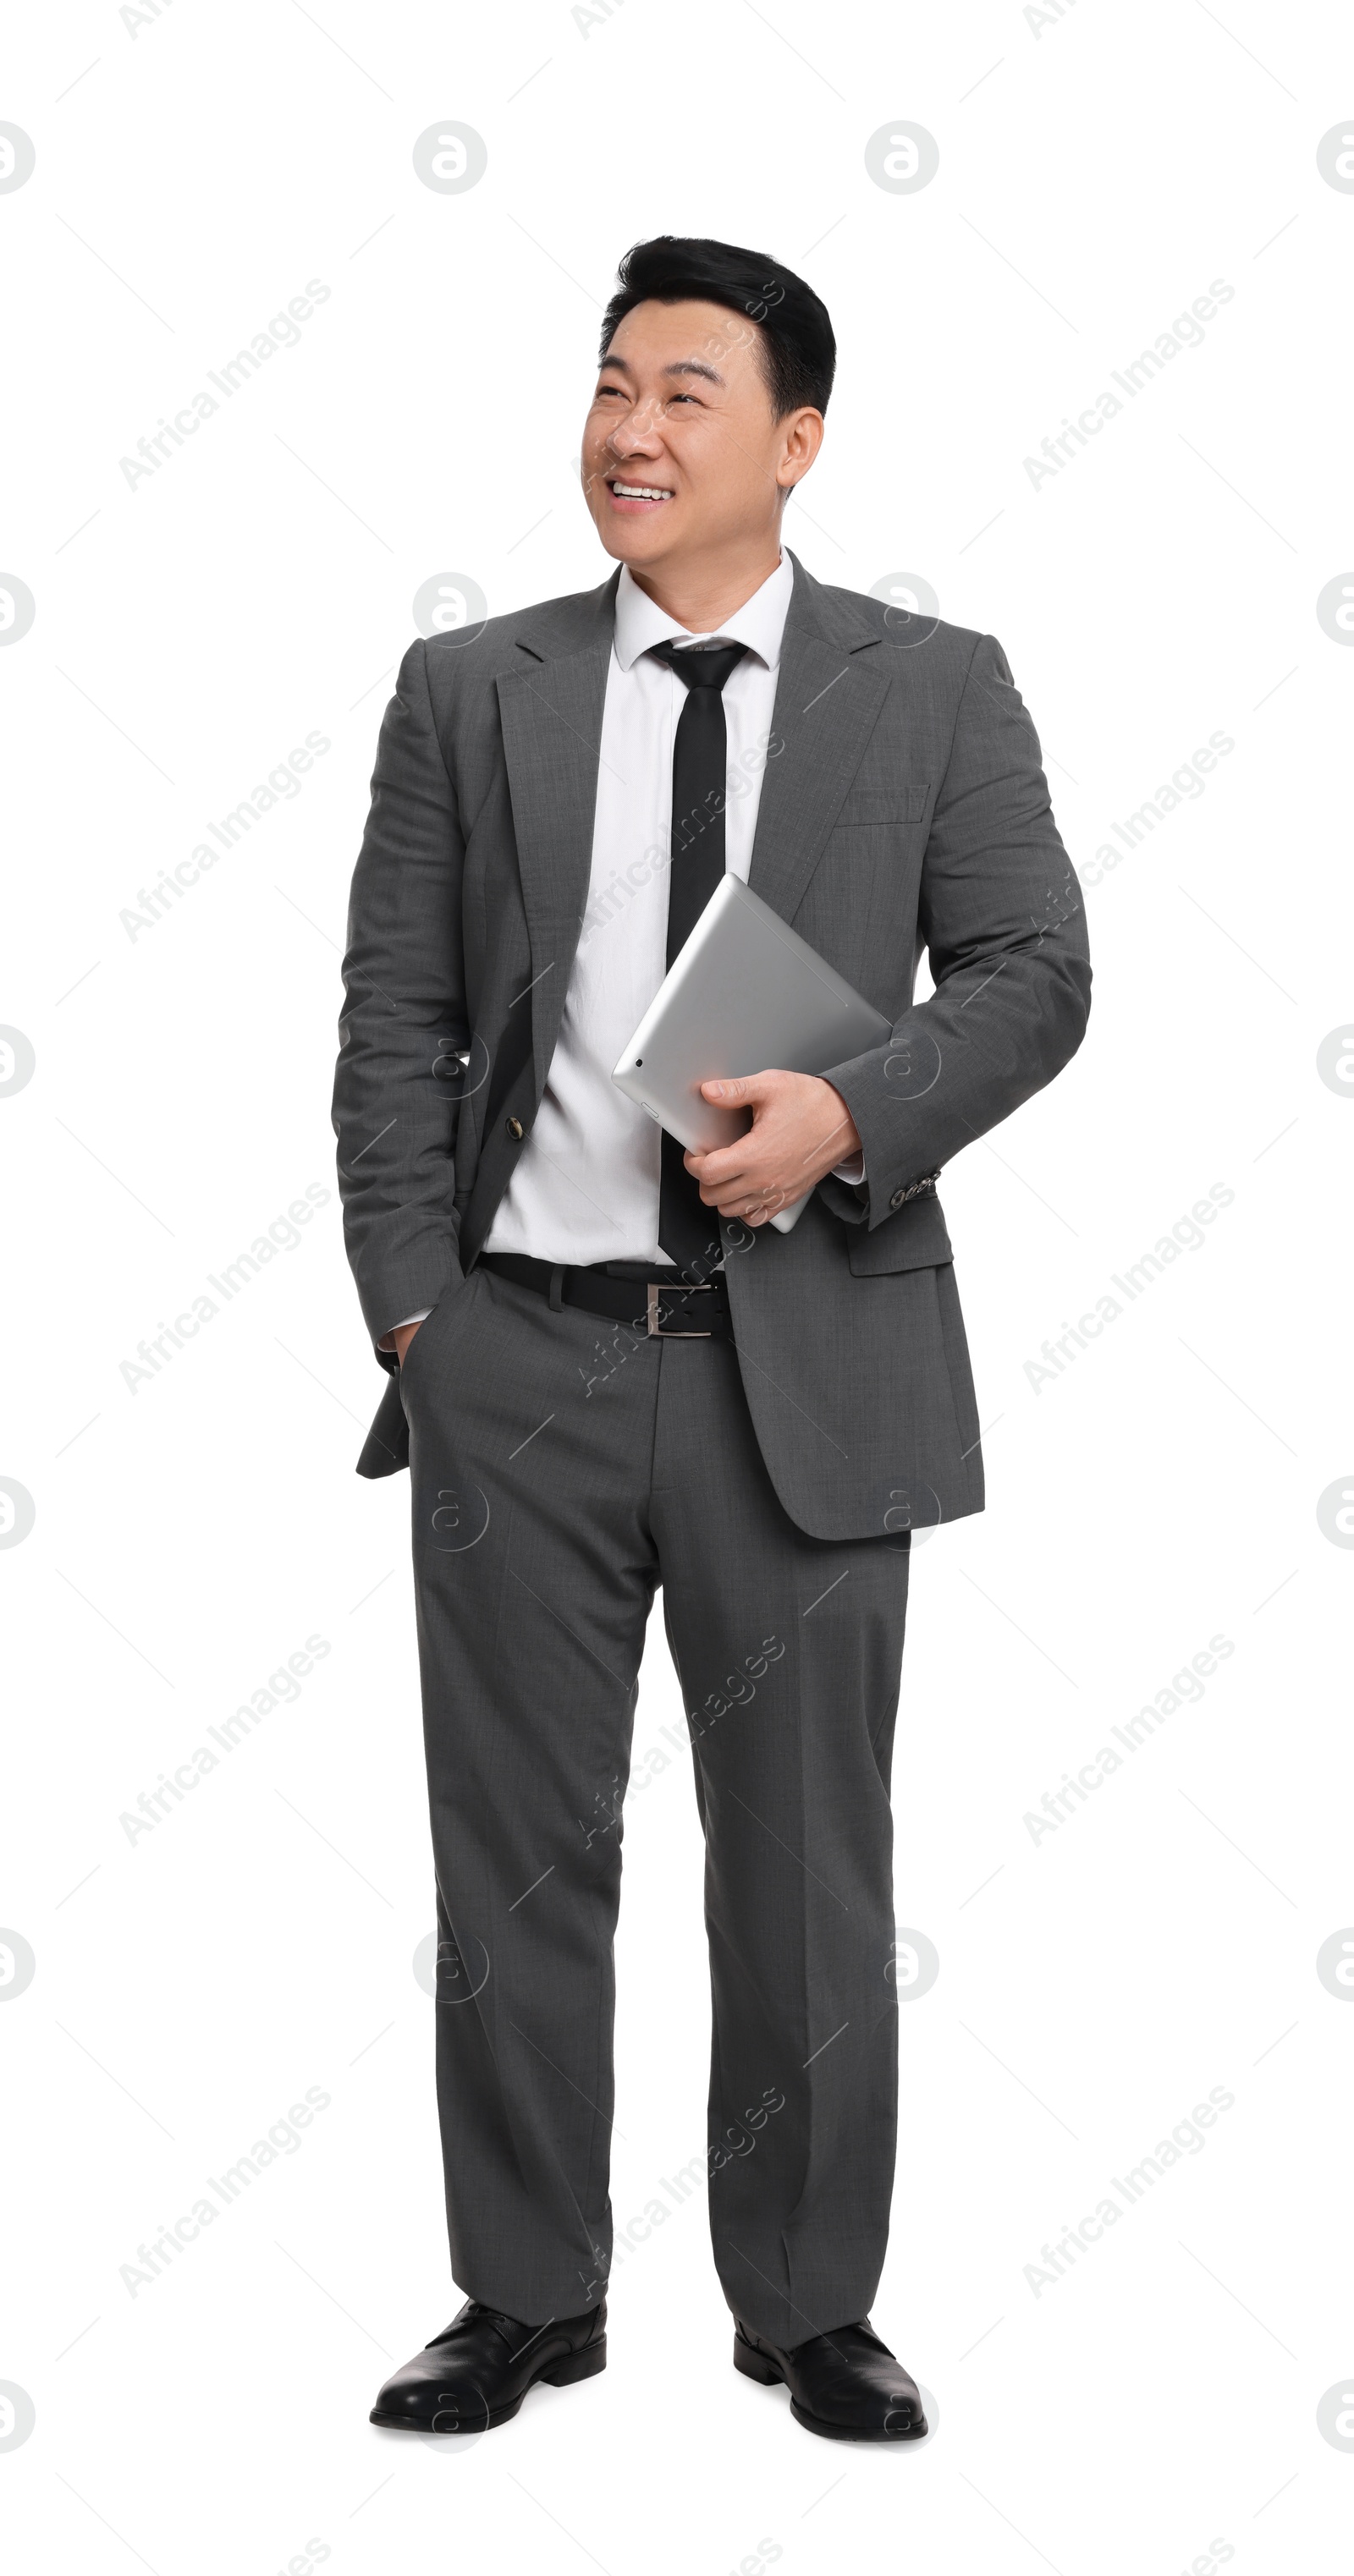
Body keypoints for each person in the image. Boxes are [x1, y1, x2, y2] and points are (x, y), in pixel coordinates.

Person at [333, 234, 1091, 2442]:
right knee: (517, 1867)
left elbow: (1037, 970)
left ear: (798, 439)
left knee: (802, 1872)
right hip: (518, 1369)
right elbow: (393, 1021)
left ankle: (803, 2303)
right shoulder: (468, 689)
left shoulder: (931, 690)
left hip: (810, 1364)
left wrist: (857, 1110)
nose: (631, 432)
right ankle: (524, 2293)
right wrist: (414, 1318)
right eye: (607, 387)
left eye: (685, 392)